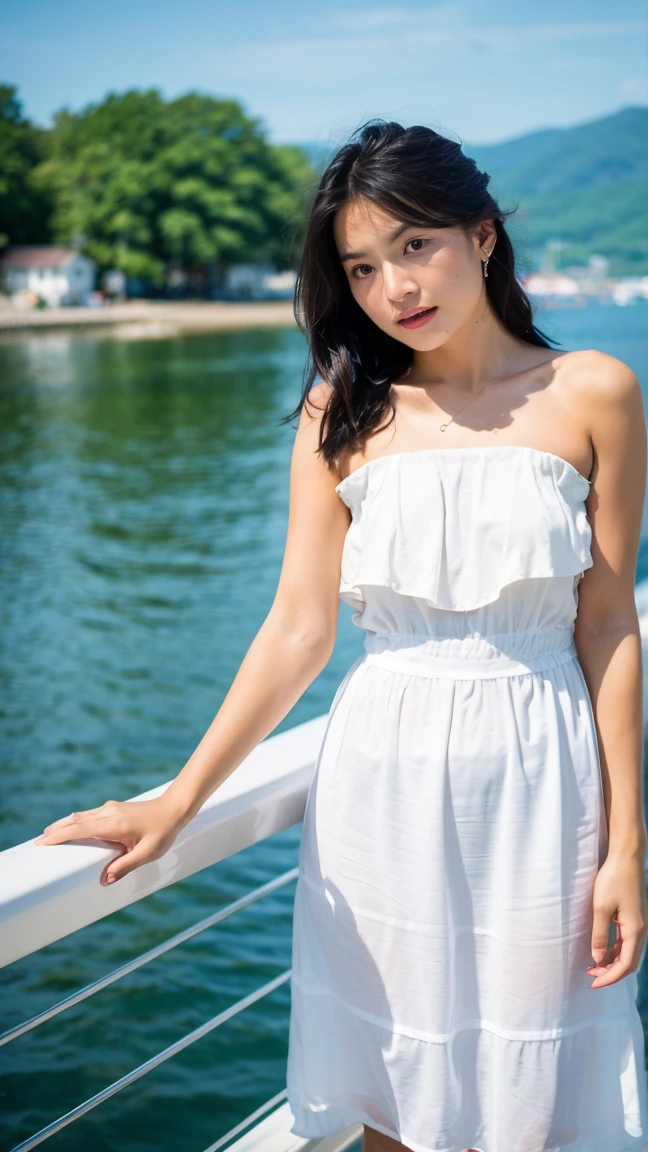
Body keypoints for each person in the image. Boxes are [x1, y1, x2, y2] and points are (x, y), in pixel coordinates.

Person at [34, 119, 648, 1152]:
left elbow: (607, 621)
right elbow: (297, 630)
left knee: (539, 1084)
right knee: (393, 1096)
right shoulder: (343, 410)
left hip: (546, 776)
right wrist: (175, 802)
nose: (394, 287)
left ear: (483, 235)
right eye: (361, 267)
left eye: (416, 245)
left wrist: (628, 844)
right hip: (383, 783)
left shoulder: (595, 391)